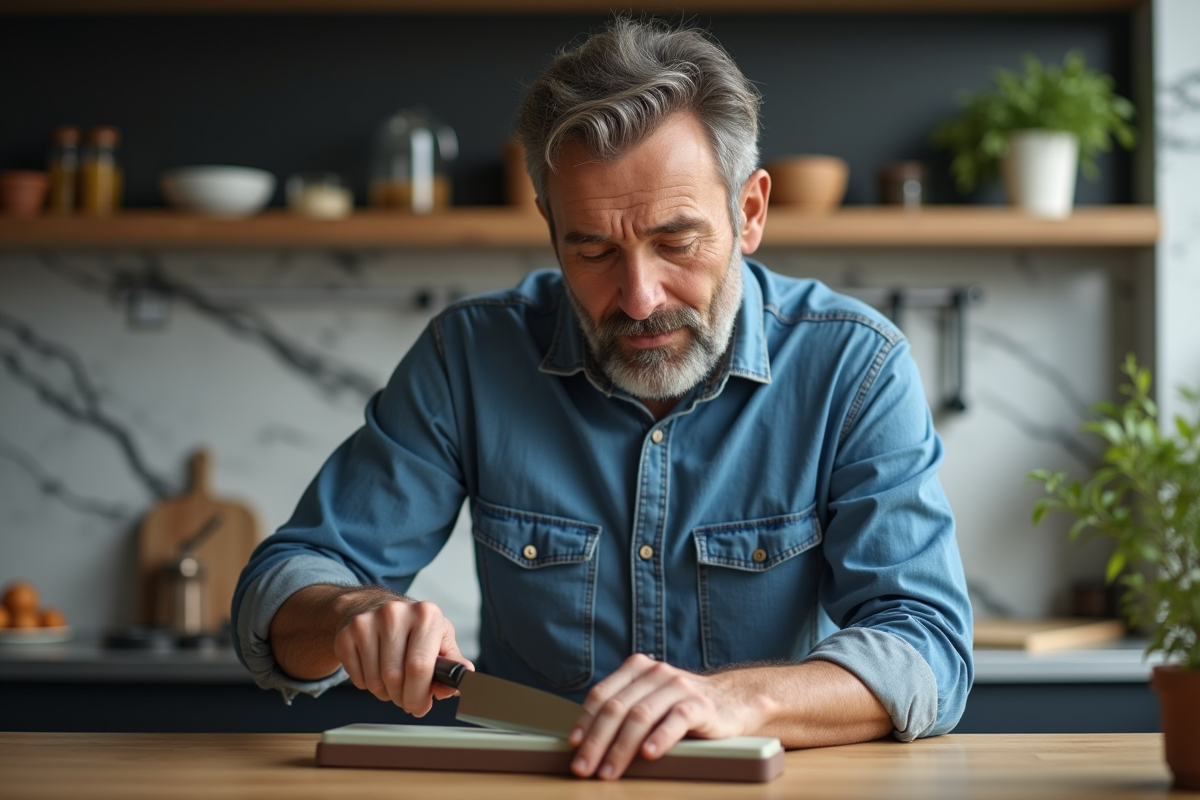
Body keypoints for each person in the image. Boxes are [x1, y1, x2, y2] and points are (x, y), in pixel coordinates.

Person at [232, 17, 973, 780]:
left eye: (677, 243)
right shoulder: (470, 358)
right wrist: (348, 614)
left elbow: (925, 646)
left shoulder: (854, 365)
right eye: (592, 250)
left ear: (749, 212)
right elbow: (279, 592)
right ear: (549, 227)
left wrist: (741, 702)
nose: (640, 298)